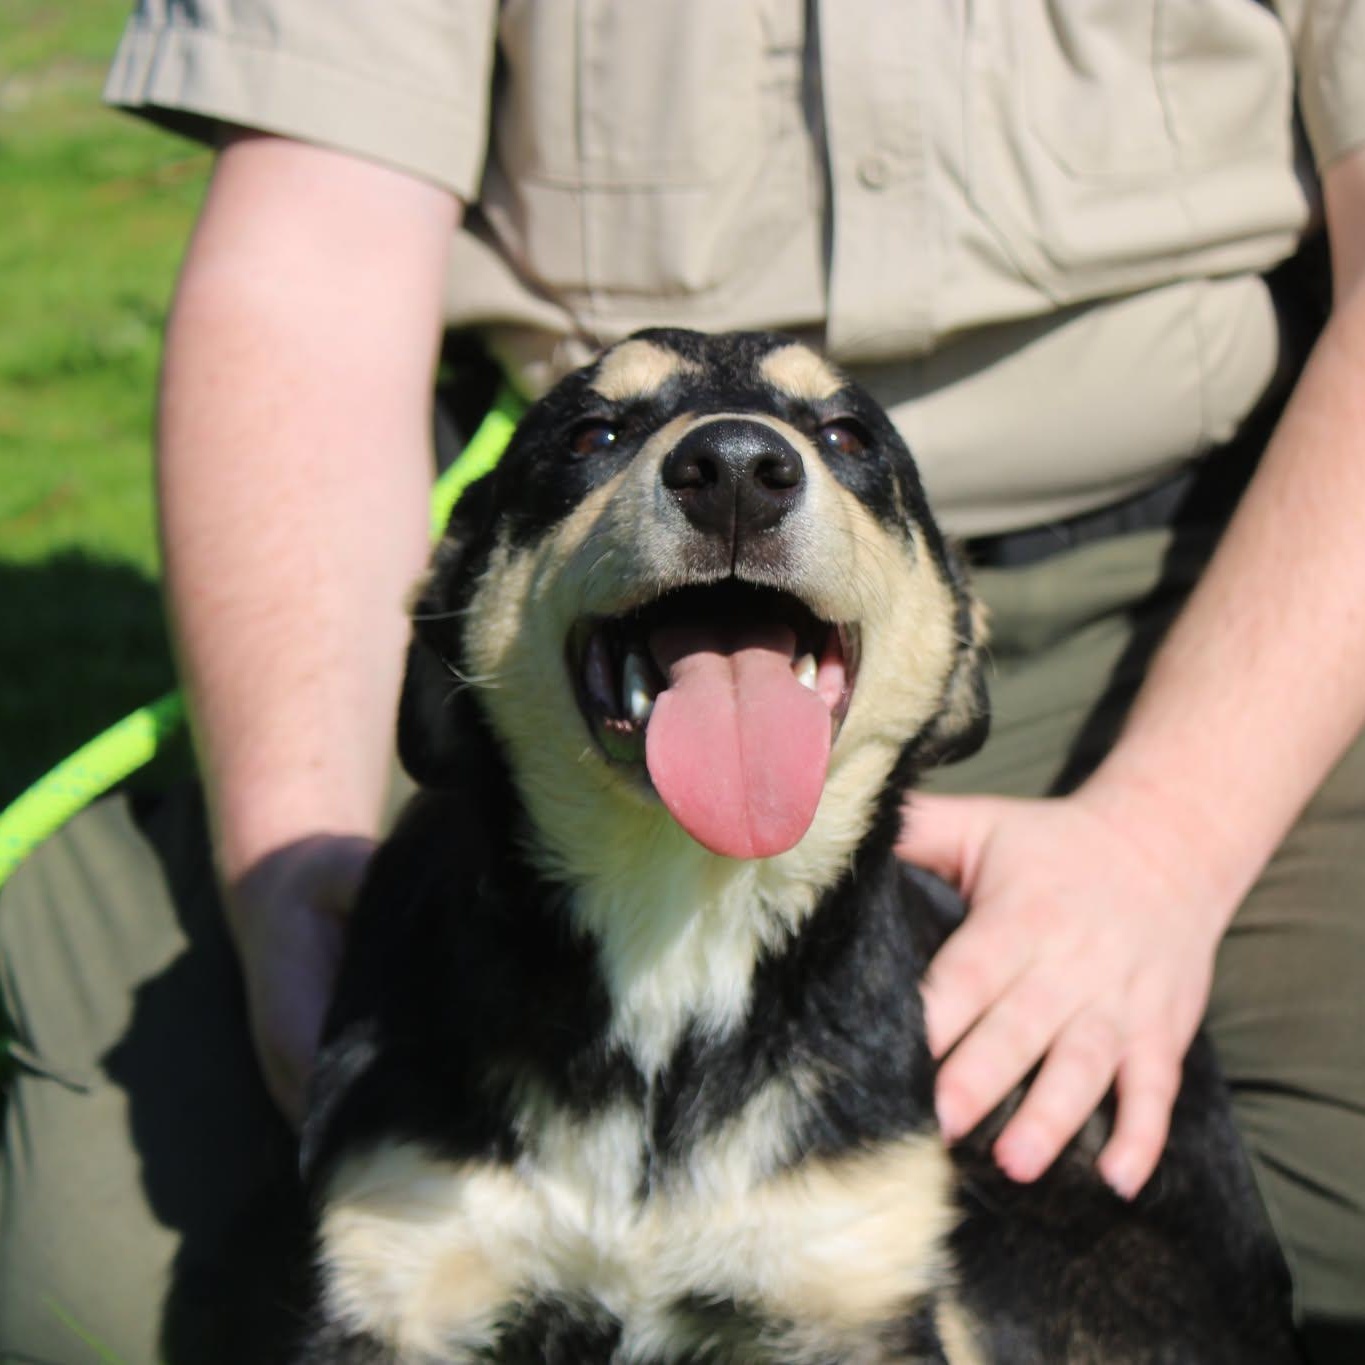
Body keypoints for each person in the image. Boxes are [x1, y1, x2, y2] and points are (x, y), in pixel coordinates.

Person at [2, 2, 1364, 1361]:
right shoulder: (475, 628)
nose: (739, 461)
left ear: (958, 655)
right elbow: (313, 255)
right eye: (611, 432)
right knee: (97, 1285)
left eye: (824, 439)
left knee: (1277, 1260)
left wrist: (1168, 839)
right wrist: (292, 851)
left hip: (1233, 582)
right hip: (531, 628)